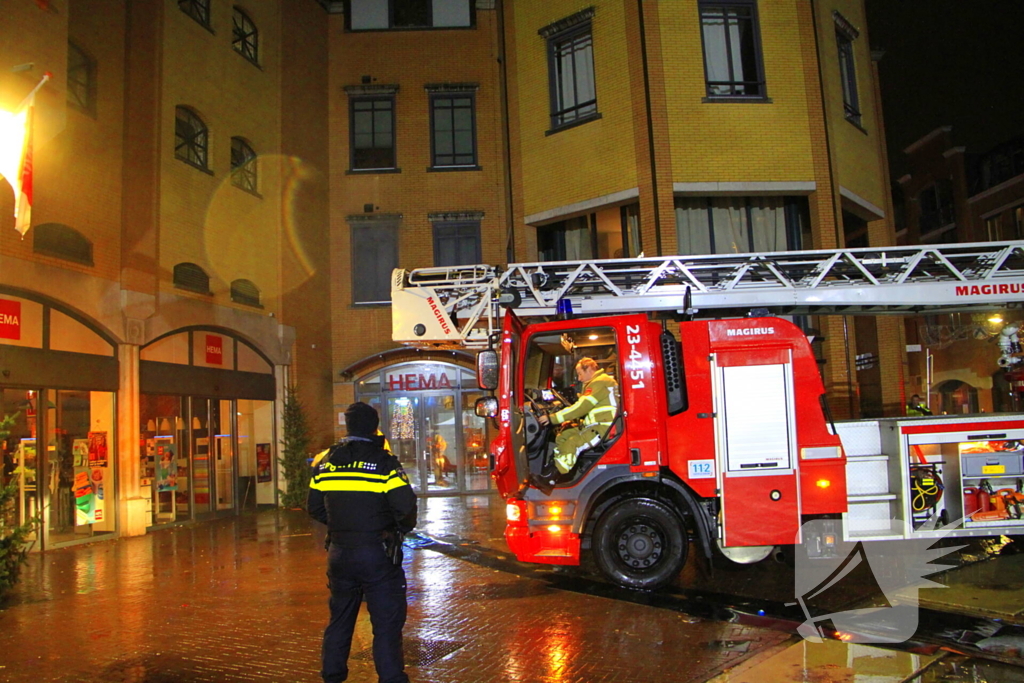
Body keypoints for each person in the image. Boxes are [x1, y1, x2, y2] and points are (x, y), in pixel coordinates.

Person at [308, 402, 418, 683]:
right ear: (373, 427)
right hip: (377, 553)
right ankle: (391, 678)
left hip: (339, 553)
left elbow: (314, 507)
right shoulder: (383, 463)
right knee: (386, 623)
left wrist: (342, 526)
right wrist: (394, 530)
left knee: (340, 619)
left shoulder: (326, 462)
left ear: (348, 426)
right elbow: (405, 508)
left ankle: (332, 676)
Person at [538, 357, 619, 482]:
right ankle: (561, 471)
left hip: (604, 427)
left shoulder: (600, 382)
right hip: (597, 424)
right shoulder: (599, 382)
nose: (579, 378)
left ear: (589, 369)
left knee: (573, 442)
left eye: (580, 374)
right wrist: (574, 422)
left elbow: (582, 407)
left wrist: (552, 418)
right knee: (563, 435)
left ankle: (551, 478)